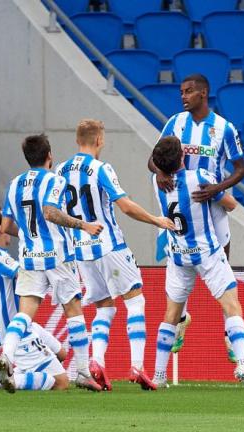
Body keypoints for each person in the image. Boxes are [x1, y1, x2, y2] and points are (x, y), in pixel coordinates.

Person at [55, 119, 175, 391]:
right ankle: (137, 365)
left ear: (77, 140)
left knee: (104, 306)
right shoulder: (100, 168)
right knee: (135, 300)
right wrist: (156, 220)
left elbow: (55, 211)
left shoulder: (60, 170)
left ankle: (96, 361)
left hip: (81, 251)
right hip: (110, 245)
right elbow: (125, 206)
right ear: (99, 140)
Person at [150, 136, 244, 390]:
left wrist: (159, 170)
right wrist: (216, 193)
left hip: (178, 254)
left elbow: (158, 169)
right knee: (232, 306)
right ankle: (243, 364)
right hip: (207, 252)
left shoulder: (156, 182)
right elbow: (230, 205)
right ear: (181, 157)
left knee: (171, 314)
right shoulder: (199, 177)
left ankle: (158, 375)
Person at [148, 73, 244, 358]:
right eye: (181, 91)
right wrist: (162, 172)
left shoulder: (224, 128)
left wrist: (218, 187)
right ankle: (179, 320)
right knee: (179, 259)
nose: (183, 96)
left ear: (203, 94)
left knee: (221, 264)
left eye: (188, 91)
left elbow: (241, 169)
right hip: (179, 203)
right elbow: (152, 159)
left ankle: (230, 333)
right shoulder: (175, 123)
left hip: (211, 202)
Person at [0, 134, 104, 392]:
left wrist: (26, 234)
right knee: (74, 311)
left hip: (28, 256)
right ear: (49, 156)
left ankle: (6, 355)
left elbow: (4, 226)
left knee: (25, 314)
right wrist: (84, 225)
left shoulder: (14, 184)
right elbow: (50, 212)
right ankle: (81, 372)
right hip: (57, 255)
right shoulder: (55, 179)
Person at [0, 203, 68, 391]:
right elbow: (24, 274)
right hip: (17, 331)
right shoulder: (0, 257)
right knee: (61, 383)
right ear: (1, 228)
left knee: (61, 354)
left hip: (15, 327)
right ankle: (2, 381)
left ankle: (9, 375)